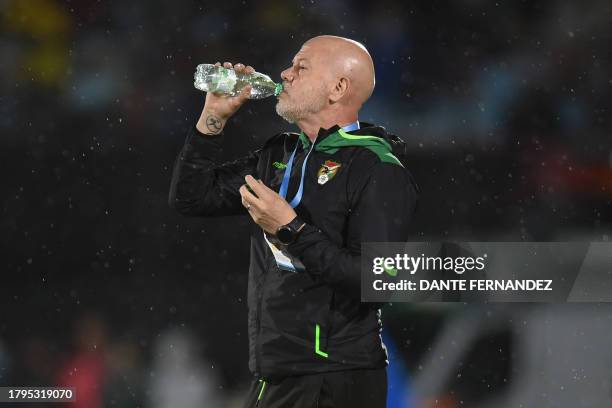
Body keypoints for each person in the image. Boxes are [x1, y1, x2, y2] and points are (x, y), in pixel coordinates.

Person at [169, 35, 418, 408]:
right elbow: (191, 197)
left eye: (301, 66)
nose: (285, 73)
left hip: (335, 377)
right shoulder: (280, 154)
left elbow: (377, 280)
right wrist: (213, 118)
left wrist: (290, 228)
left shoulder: (377, 167)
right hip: (277, 370)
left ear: (338, 88)